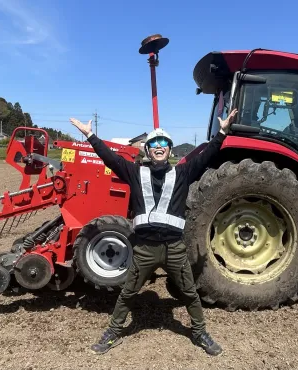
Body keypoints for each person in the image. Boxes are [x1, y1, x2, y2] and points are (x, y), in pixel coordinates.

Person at [69, 108, 238, 356]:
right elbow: (110, 159)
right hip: (144, 249)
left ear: (169, 150)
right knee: (127, 293)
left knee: (190, 294)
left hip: (174, 249)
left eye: (164, 144)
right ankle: (113, 333)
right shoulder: (135, 173)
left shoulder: (183, 173)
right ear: (148, 150)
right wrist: (91, 136)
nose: (159, 147)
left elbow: (207, 156)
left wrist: (222, 132)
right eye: (154, 144)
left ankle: (200, 333)